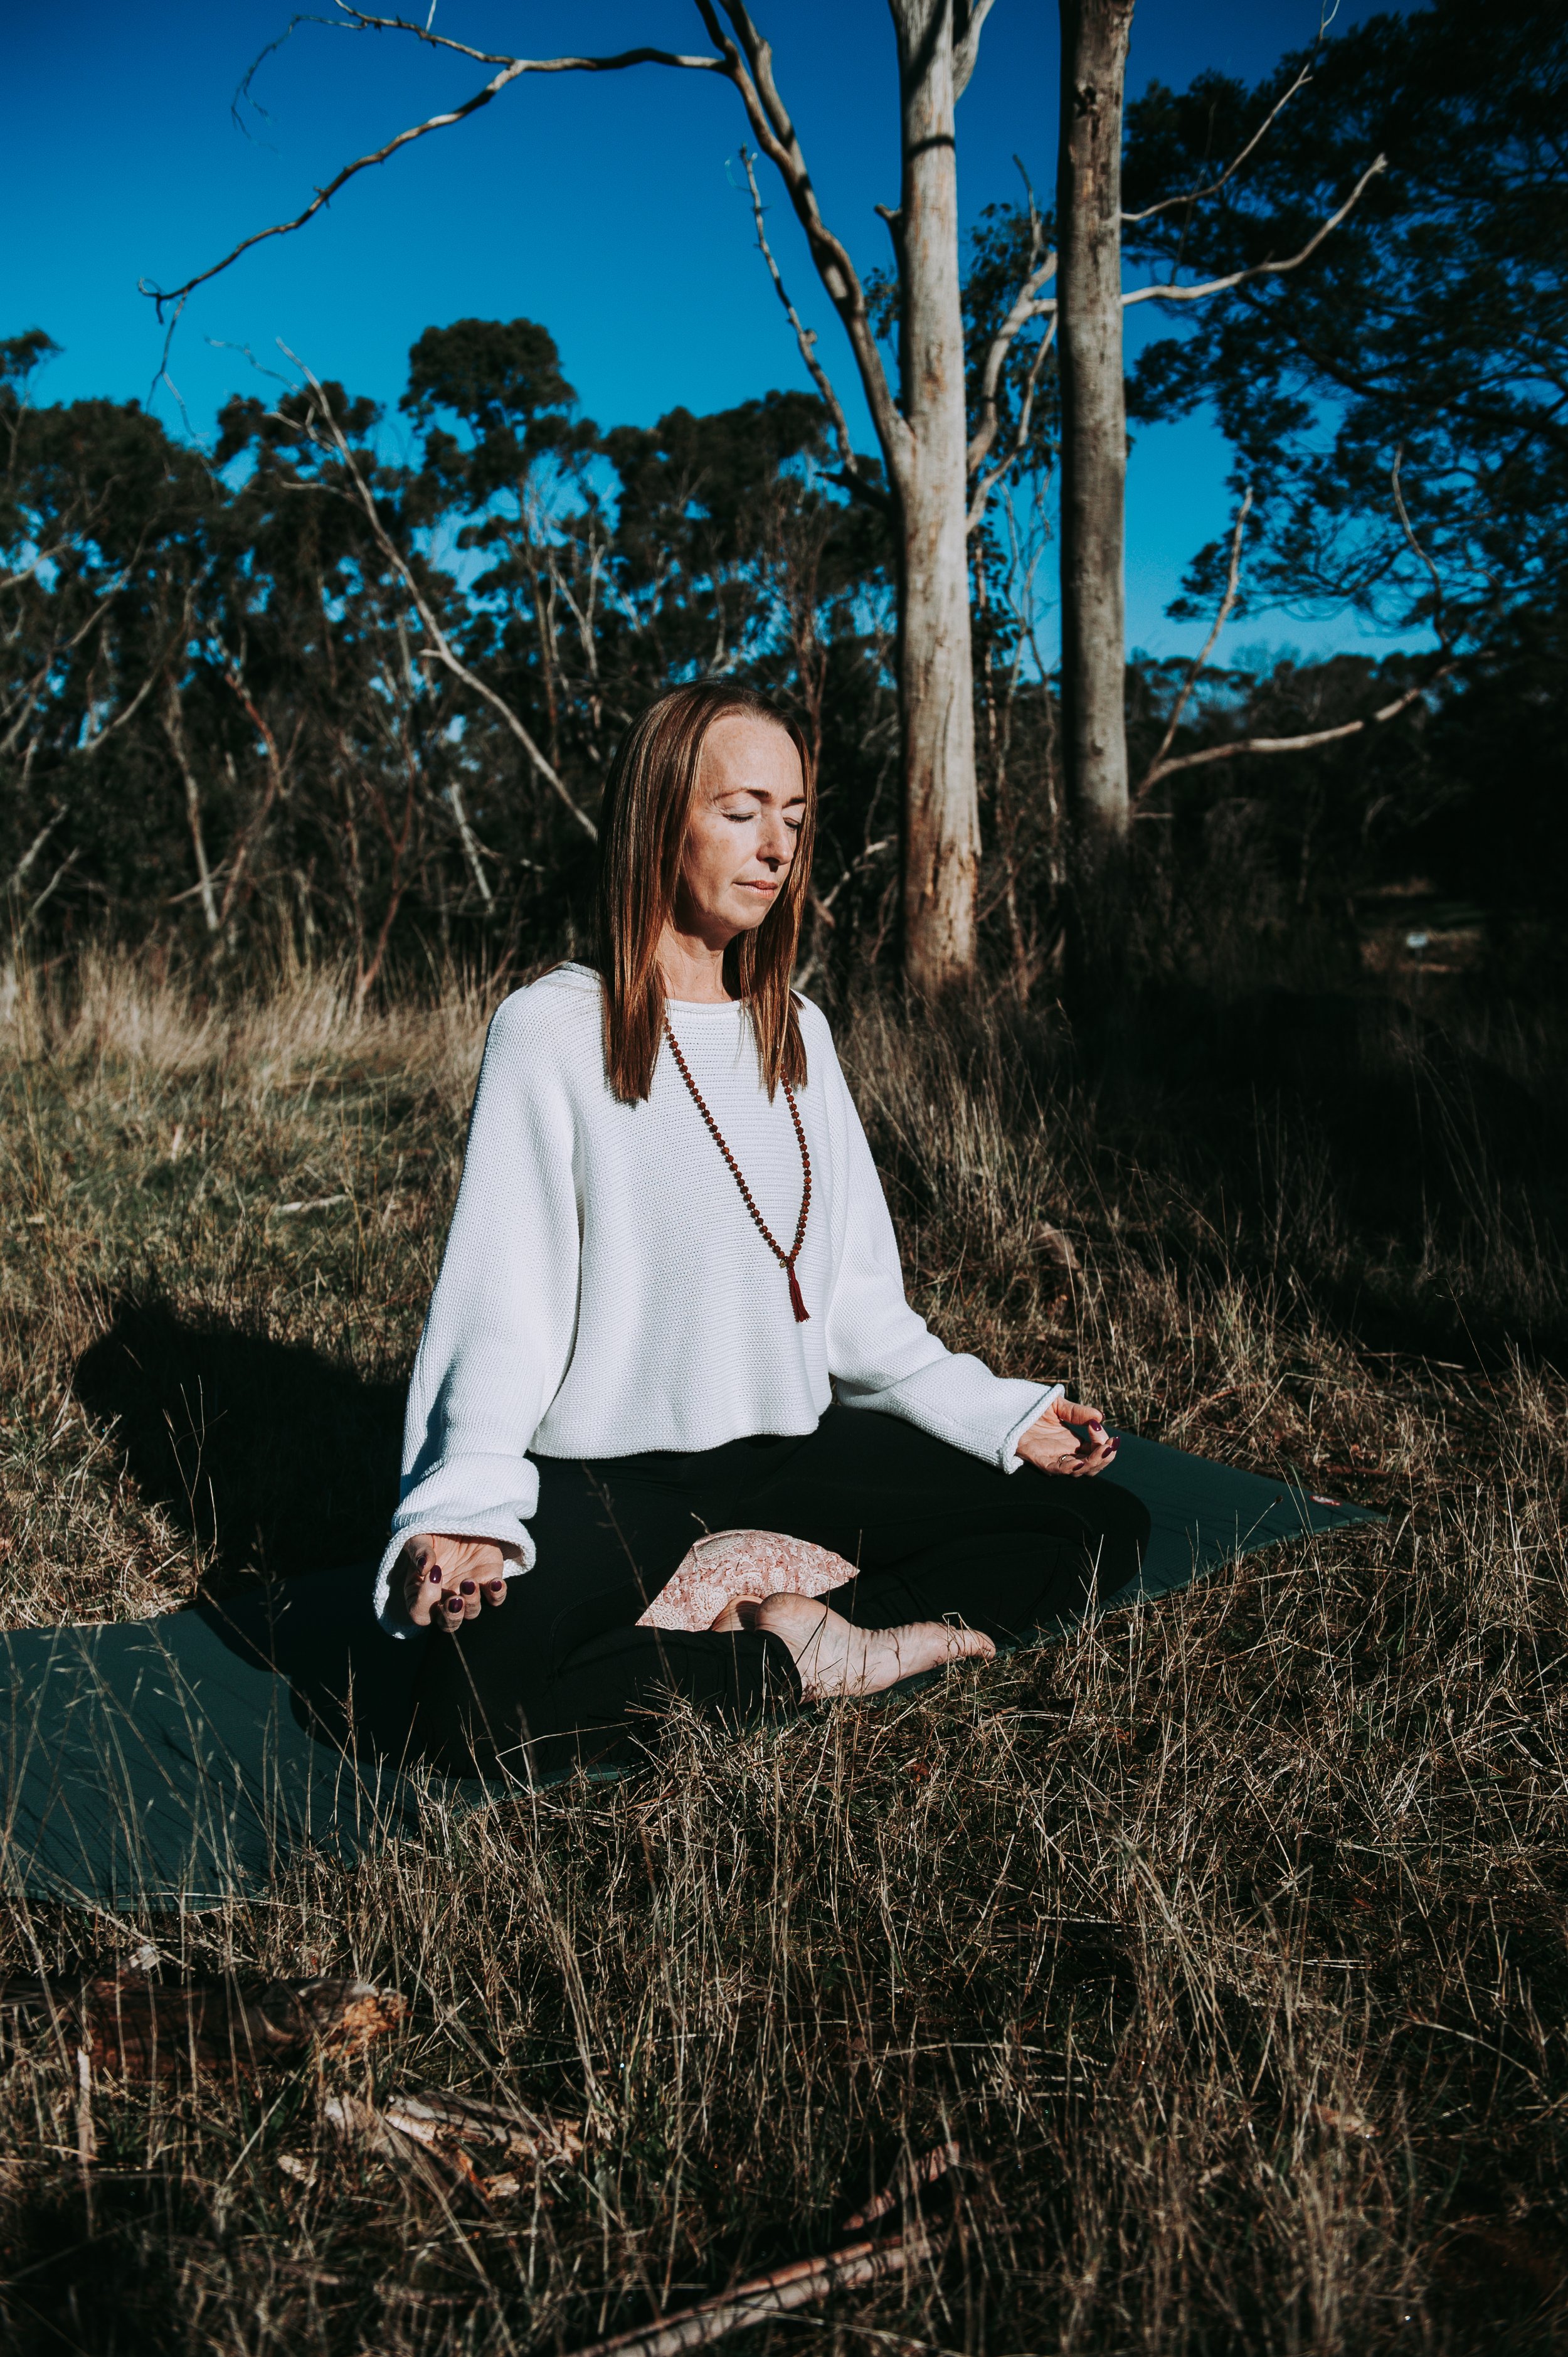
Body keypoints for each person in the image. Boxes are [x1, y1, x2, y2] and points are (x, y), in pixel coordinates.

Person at [376, 681, 1148, 1780]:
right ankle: (802, 1652)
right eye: (742, 811)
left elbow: (859, 1309)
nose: (777, 844)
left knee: (1099, 1527)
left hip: (792, 1452)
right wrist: (465, 1513)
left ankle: (811, 1623)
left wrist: (1002, 1414)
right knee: (472, 1710)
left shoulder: (800, 1033)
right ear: (661, 820)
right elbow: (501, 1315)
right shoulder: (550, 1029)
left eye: (793, 816)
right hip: (613, 1477)